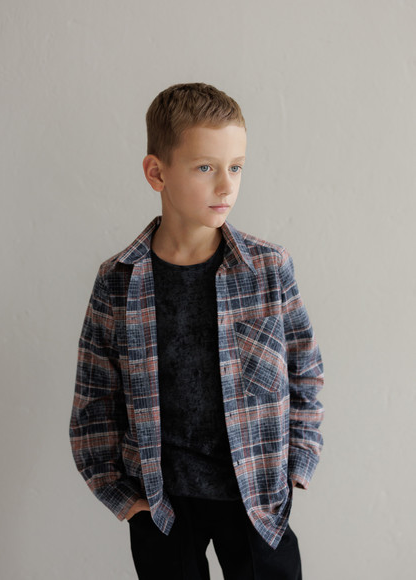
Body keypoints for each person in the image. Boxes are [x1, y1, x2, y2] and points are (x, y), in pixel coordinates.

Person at [69, 83, 324, 579]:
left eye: (236, 167)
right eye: (206, 168)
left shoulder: (268, 268)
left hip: (255, 494)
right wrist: (123, 498)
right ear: (157, 172)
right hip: (162, 502)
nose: (226, 186)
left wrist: (297, 465)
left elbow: (305, 369)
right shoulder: (117, 280)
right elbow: (94, 397)